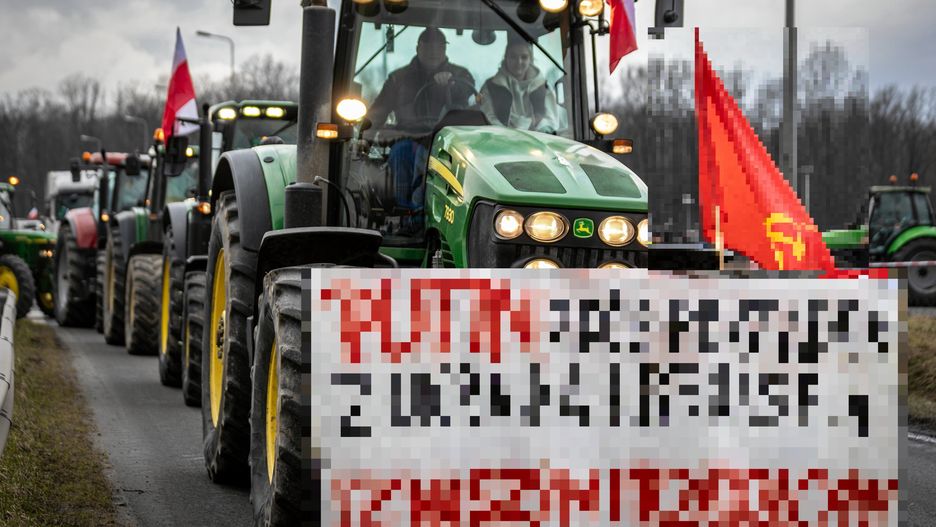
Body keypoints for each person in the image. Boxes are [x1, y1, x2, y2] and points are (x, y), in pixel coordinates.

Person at [367, 28, 475, 224]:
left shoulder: (460, 75)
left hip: (448, 141)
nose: (433, 50)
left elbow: (468, 92)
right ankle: (405, 217)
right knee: (401, 153)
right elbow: (376, 115)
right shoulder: (398, 79)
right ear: (418, 48)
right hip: (409, 138)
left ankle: (456, 219)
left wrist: (450, 85)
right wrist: (361, 140)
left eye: (438, 46)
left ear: (445, 49)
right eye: (427, 45)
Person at [479, 39, 560, 133]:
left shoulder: (544, 87)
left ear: (531, 59)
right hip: (501, 140)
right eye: (513, 57)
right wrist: (508, 134)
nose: (519, 62)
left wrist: (538, 132)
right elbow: (488, 117)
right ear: (506, 58)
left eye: (524, 57)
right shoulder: (490, 86)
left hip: (537, 141)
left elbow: (550, 120)